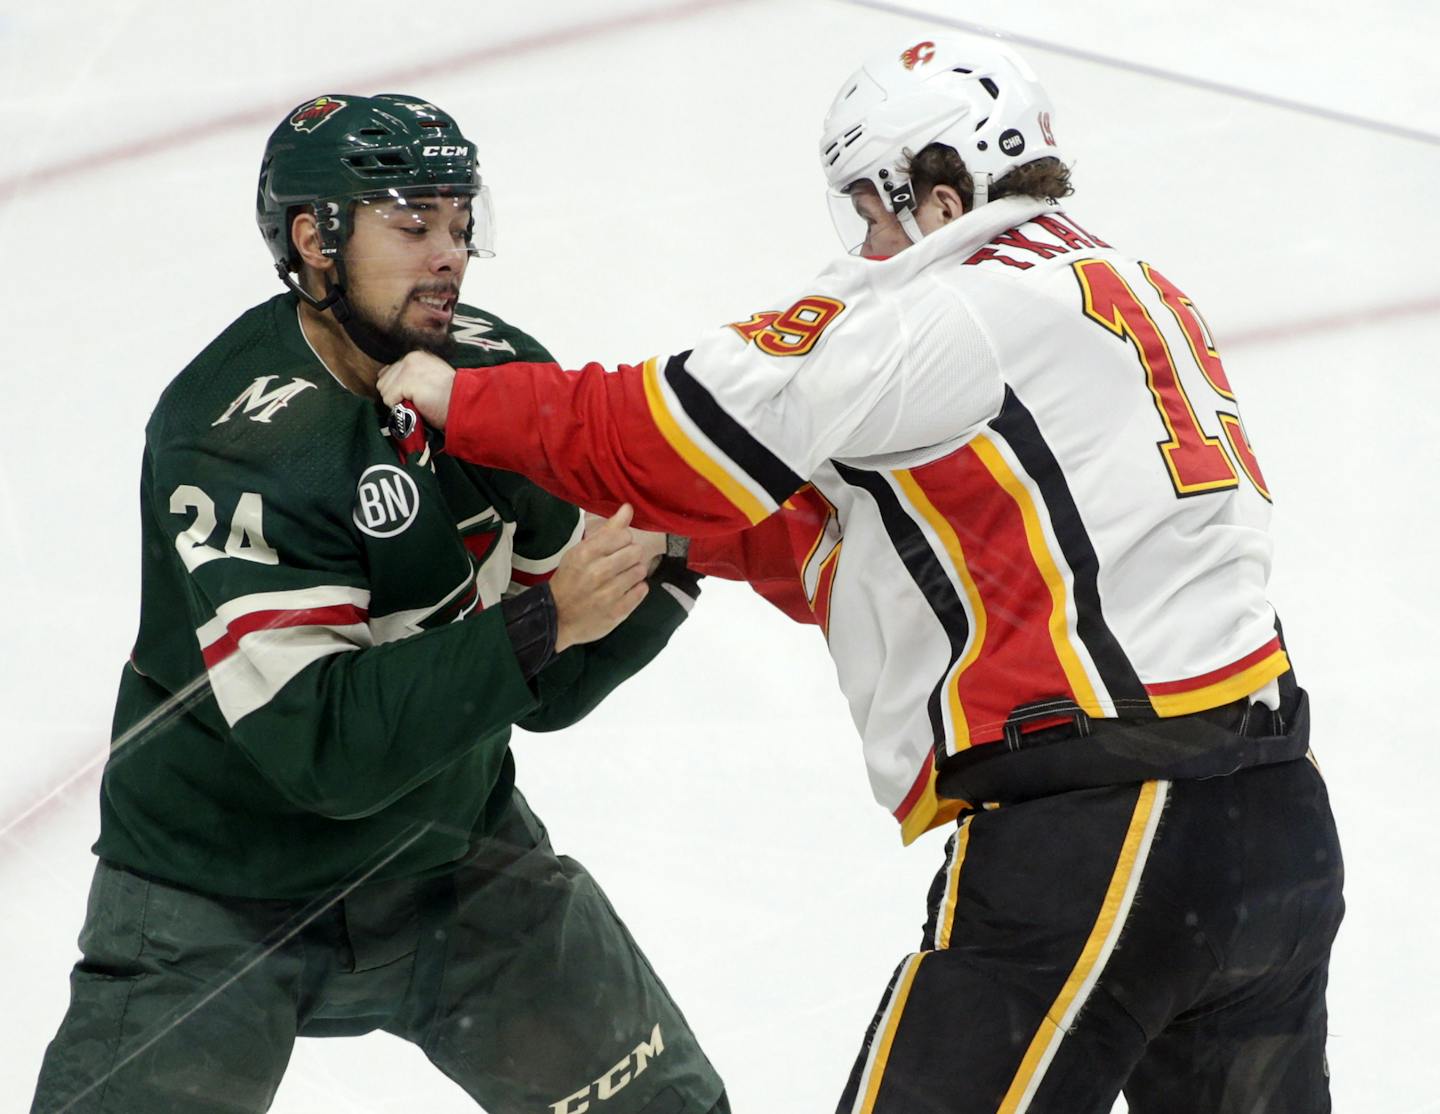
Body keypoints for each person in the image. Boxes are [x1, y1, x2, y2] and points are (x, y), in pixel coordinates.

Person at [376, 40, 1345, 1114]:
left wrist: (463, 400)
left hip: (1106, 835)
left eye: (871, 210)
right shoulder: (1128, 287)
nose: (867, 243)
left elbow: (663, 431)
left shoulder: (954, 309)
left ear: (939, 191)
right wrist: (687, 540)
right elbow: (890, 548)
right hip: (1277, 832)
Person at [31, 94, 728, 1114]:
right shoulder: (237, 440)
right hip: (219, 900)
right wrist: (541, 623)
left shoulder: (494, 376)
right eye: (412, 225)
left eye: (457, 223)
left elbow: (551, 688)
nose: (448, 253)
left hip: (456, 864)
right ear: (315, 237)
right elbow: (324, 749)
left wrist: (678, 555)